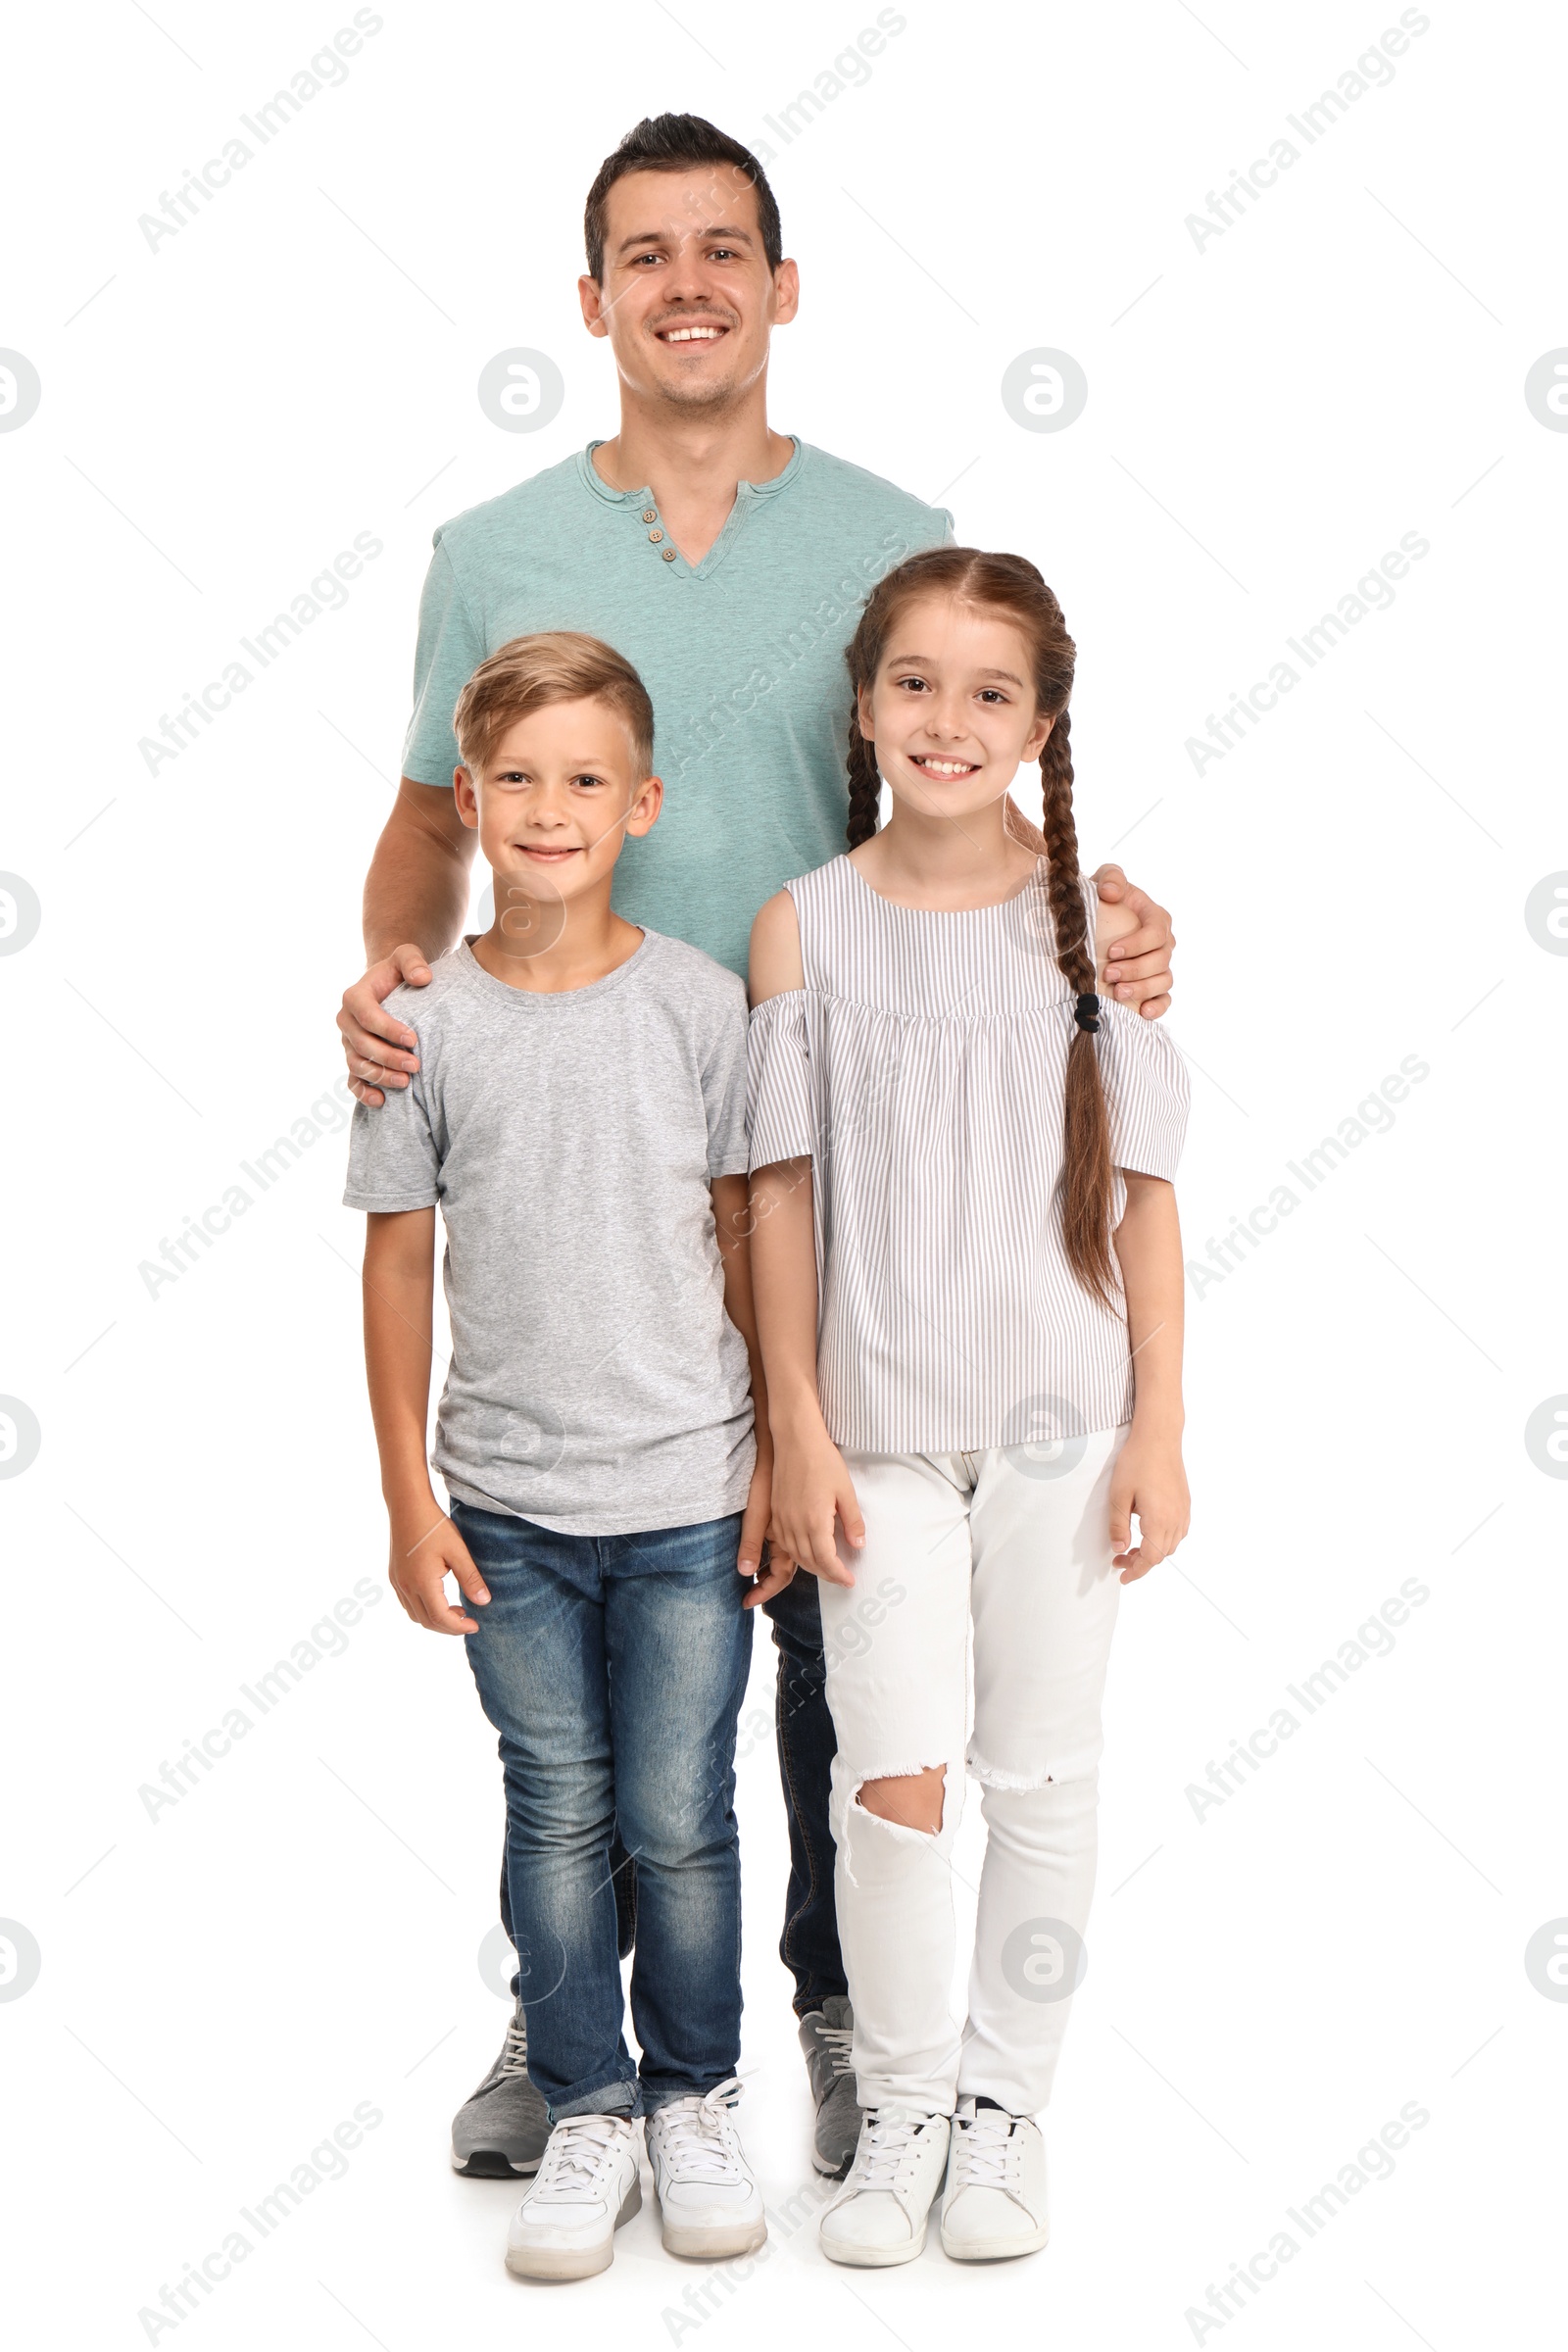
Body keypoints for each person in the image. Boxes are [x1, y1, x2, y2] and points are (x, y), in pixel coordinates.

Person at [335, 112, 1180, 2180]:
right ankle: (583, 2037)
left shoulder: (884, 531)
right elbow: (431, 825)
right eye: (645, 253)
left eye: (726, 249)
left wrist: (1108, 907)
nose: (687, 282)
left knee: (825, 1595)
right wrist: (381, 976)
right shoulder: (493, 555)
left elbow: (959, 777)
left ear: (783, 290)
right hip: (581, 1155)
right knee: (590, 1626)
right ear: (591, 301)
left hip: (831, 1164)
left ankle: (826, 2010)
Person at [746, 547, 1191, 2267]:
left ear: (1043, 724)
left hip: (1062, 1424)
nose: (949, 720)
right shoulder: (809, 919)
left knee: (1046, 1775)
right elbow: (779, 1192)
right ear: (864, 707)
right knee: (891, 1775)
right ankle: (903, 2106)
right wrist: (793, 1420)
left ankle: (1010, 2114)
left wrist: (1161, 1426)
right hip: (875, 1428)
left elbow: (1144, 1191)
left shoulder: (1098, 931)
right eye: (914, 684)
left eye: (990, 691)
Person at [345, 631, 772, 2280]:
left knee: (681, 1813)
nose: (548, 807)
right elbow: (395, 1259)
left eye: (585, 779)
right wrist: (406, 1504)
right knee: (558, 1806)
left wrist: (776, 1450)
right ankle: (587, 2100)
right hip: (507, 1507)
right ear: (470, 798)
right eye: (515, 779)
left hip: (686, 1495)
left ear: (643, 803)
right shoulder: (420, 1023)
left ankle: (694, 2096)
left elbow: (750, 1233)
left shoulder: (698, 1002)